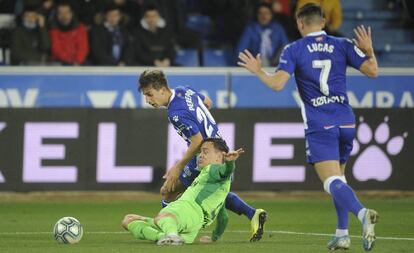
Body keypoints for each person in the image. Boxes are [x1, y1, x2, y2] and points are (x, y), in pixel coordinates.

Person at [238, 3, 379, 251]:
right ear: (323, 22)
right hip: (346, 121)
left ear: (300, 23)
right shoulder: (342, 44)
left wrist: (259, 71)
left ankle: (362, 213)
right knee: (340, 179)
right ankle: (342, 234)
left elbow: (277, 85)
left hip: (320, 123)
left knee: (330, 182)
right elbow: (373, 71)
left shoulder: (294, 49)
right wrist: (369, 51)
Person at [138, 69, 267, 242]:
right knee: (212, 191)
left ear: (162, 89)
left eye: (150, 95)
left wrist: (178, 166)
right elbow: (208, 102)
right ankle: (253, 214)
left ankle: (165, 227)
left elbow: (197, 141)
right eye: (146, 96)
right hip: (217, 148)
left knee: (169, 191)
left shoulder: (175, 113)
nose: (148, 100)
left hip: (204, 153)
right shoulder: (185, 90)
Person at [122, 138, 243, 245]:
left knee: (163, 217)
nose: (200, 155)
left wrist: (229, 162)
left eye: (205, 151)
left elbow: (226, 170)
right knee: (129, 220)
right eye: (200, 151)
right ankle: (165, 237)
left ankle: (171, 235)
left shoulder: (214, 169)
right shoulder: (214, 187)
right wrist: (214, 237)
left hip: (189, 210)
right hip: (190, 224)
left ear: (220, 156)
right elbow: (223, 218)